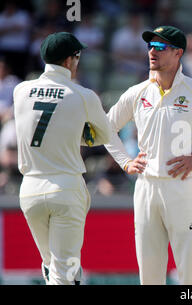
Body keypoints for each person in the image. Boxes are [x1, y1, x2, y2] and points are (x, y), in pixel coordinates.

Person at [104, 25, 192, 285]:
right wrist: (125, 161)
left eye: (160, 47)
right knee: (149, 273)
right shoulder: (138, 93)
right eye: (150, 46)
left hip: (181, 188)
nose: (152, 51)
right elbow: (105, 128)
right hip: (145, 188)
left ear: (178, 53)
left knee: (191, 270)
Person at [13, 32, 113, 284]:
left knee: (51, 267)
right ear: (69, 60)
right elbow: (103, 135)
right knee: (64, 273)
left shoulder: (20, 90)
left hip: (30, 190)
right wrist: (78, 134)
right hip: (66, 188)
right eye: (77, 57)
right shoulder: (84, 95)